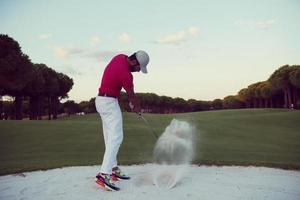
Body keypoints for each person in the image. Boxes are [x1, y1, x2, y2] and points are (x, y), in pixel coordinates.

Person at [94, 50, 150, 191]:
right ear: (134, 62)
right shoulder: (126, 74)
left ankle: (113, 169)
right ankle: (104, 174)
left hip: (101, 100)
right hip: (109, 103)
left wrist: (132, 104)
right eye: (138, 68)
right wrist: (136, 107)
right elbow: (131, 95)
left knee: (109, 137)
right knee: (117, 137)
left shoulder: (119, 57)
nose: (138, 71)